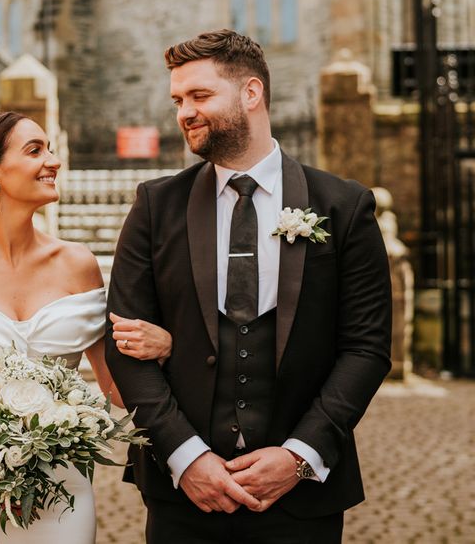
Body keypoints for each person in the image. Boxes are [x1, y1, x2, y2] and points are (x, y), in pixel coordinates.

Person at [105, 30, 392, 543]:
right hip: (183, 496)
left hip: (302, 497)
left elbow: (366, 348)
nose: (184, 112)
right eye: (177, 100)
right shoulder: (155, 206)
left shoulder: (344, 206)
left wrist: (299, 455)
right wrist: (186, 456)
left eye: (199, 96)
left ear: (251, 93)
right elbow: (123, 345)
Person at [0, 111, 173, 544]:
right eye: (35, 150)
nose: (53, 161)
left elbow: (116, 389)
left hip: (62, 494)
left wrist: (162, 351)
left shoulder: (79, 266)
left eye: (50, 148)